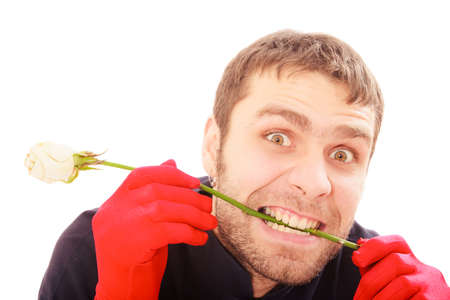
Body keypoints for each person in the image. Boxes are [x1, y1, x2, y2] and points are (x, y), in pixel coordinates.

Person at [38, 30, 450, 300]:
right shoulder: (100, 250)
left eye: (342, 154)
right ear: (214, 145)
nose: (314, 183)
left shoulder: (385, 287)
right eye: (278, 137)